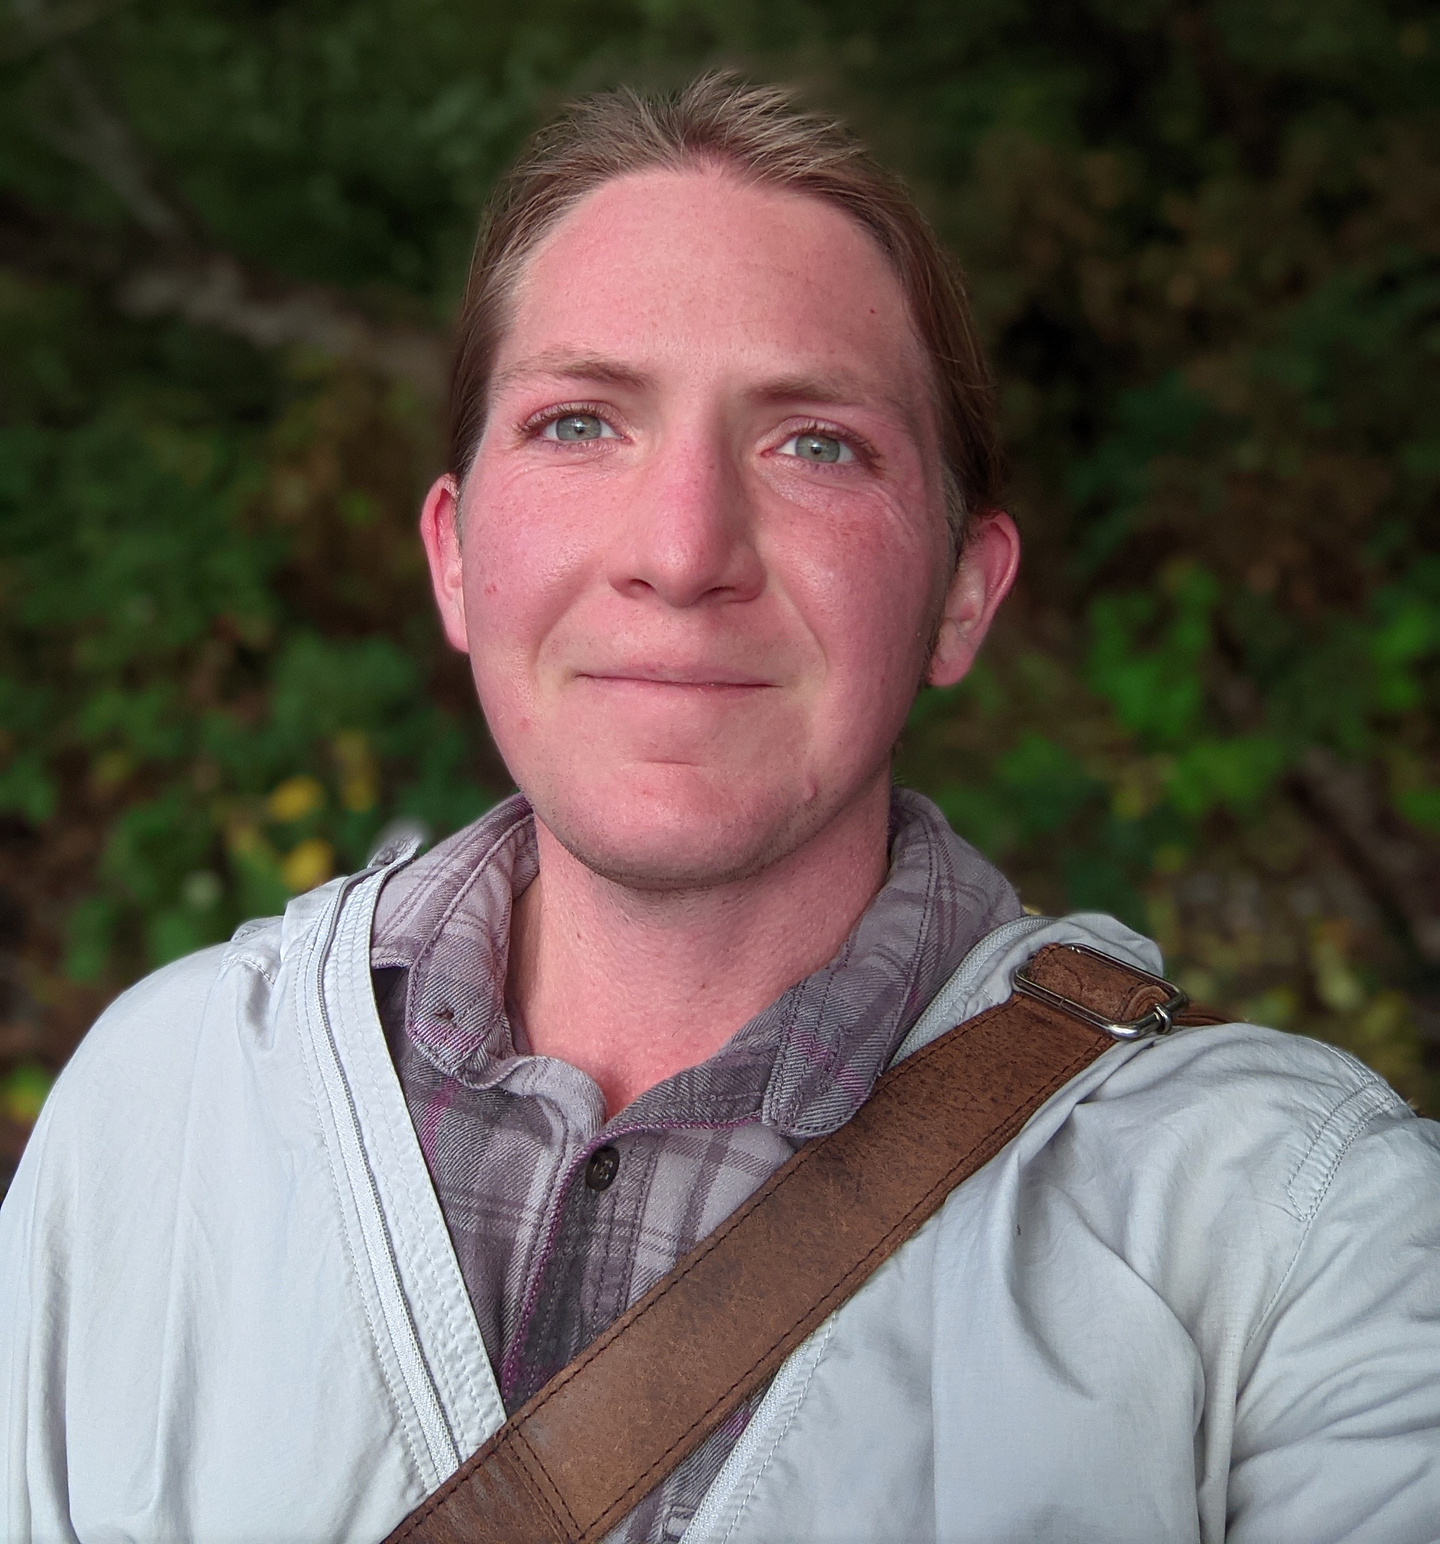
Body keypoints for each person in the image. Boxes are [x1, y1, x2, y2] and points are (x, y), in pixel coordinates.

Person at [2, 74, 1437, 1544]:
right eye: (579, 422)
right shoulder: (156, 1112)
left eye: (814, 444)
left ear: (960, 594)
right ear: (451, 555)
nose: (684, 553)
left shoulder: (1295, 1235)